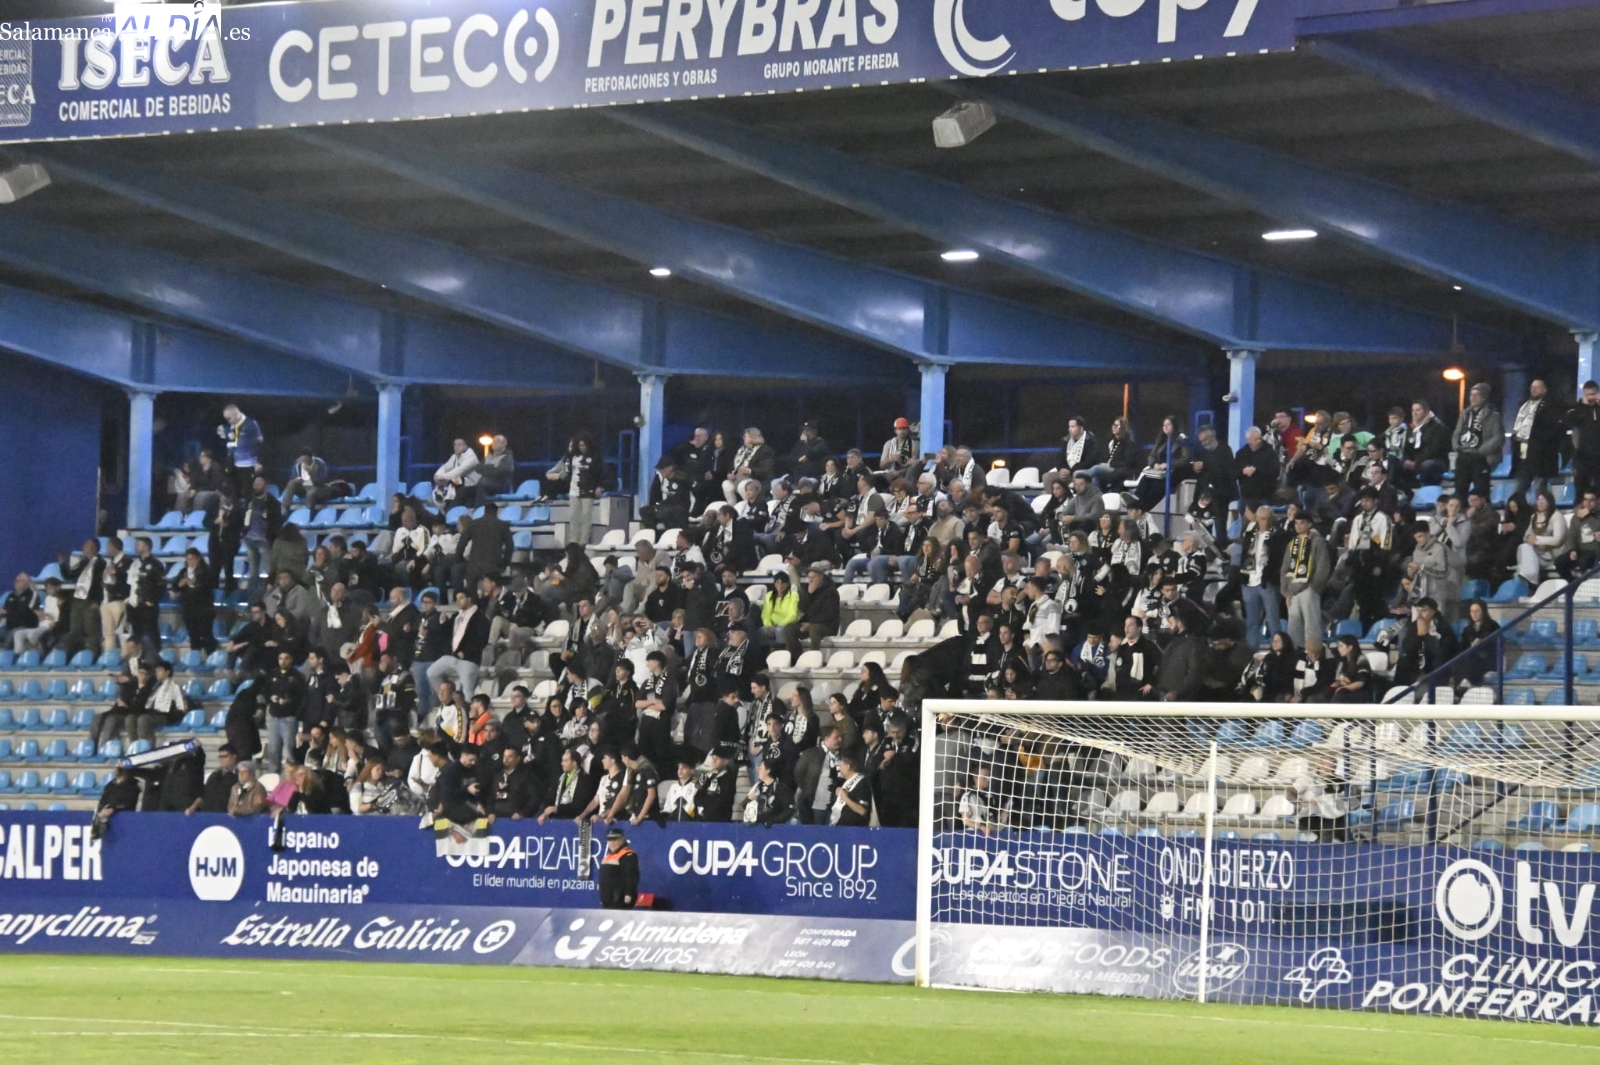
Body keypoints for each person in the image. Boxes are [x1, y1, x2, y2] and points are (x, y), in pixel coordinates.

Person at [1279, 513, 1329, 650]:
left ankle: (1314, 655)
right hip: (1292, 591)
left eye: (1302, 522)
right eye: (1296, 523)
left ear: (1309, 524)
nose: (1298, 526)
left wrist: (1314, 587)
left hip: (1309, 588)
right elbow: (1285, 568)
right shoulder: (1292, 544)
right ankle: (1296, 656)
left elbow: (1323, 566)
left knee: (1311, 626)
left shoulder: (1317, 542)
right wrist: (1286, 591)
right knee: (1293, 627)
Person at [1511, 379, 1565, 501]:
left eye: (1537, 387)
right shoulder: (1524, 405)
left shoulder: (1551, 406)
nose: (1533, 389)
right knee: (1519, 490)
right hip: (1523, 455)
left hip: (1541, 456)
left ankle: (1542, 511)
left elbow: (1555, 430)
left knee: (1540, 490)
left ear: (1545, 390)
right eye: (1532, 387)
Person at [1452, 383, 1504, 503]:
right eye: (1471, 395)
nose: (1473, 398)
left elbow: (1498, 437)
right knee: (1459, 490)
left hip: (1481, 457)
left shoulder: (1493, 415)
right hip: (1463, 455)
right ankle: (1461, 512)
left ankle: (1484, 512)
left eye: (1477, 395)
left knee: (1481, 492)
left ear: (1484, 397)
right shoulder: (1465, 414)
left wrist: (1481, 451)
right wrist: (1456, 446)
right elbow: (1456, 433)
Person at [219, 403, 264, 495]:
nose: (228, 421)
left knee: (247, 491)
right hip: (233, 465)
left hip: (249, 464)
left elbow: (259, 443)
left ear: (236, 414)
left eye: (229, 418)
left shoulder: (251, 424)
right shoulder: (229, 427)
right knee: (232, 491)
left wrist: (258, 462)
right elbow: (230, 445)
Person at [188, 744, 239, 815]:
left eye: (225, 756)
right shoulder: (214, 775)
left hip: (226, 816)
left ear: (234, 757)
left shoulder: (240, 775)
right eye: (220, 757)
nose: (221, 760)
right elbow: (203, 794)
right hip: (208, 814)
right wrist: (193, 807)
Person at [598, 827, 640, 910]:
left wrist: (629, 894)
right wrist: (603, 898)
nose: (612, 843)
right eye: (610, 840)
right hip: (608, 899)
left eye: (615, 840)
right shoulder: (608, 856)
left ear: (622, 840)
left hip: (620, 899)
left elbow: (631, 876)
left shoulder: (628, 855)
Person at [829, 755, 872, 827]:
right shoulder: (846, 781)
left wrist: (845, 798)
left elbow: (862, 811)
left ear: (847, 766)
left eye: (840, 765)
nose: (839, 768)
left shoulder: (862, 783)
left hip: (852, 829)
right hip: (841, 826)